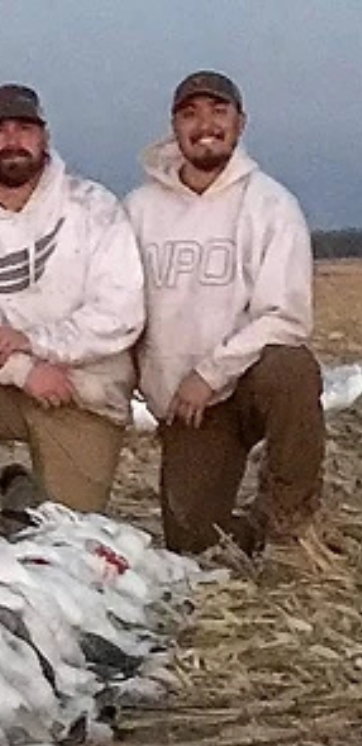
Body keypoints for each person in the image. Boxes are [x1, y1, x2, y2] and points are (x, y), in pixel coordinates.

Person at [0, 84, 145, 550]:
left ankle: (23, 497)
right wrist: (24, 369)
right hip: (7, 382)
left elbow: (121, 312)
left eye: (24, 128)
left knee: (66, 546)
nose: (11, 139)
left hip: (85, 392)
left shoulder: (94, 207)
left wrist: (38, 343)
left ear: (45, 138)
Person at [125, 71, 323, 554]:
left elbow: (286, 316)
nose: (205, 125)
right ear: (174, 127)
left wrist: (209, 373)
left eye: (219, 112)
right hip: (190, 410)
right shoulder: (137, 209)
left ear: (240, 123)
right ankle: (245, 531)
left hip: (249, 381)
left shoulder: (272, 205)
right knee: (194, 543)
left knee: (291, 367)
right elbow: (119, 309)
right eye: (190, 114)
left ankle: (286, 523)